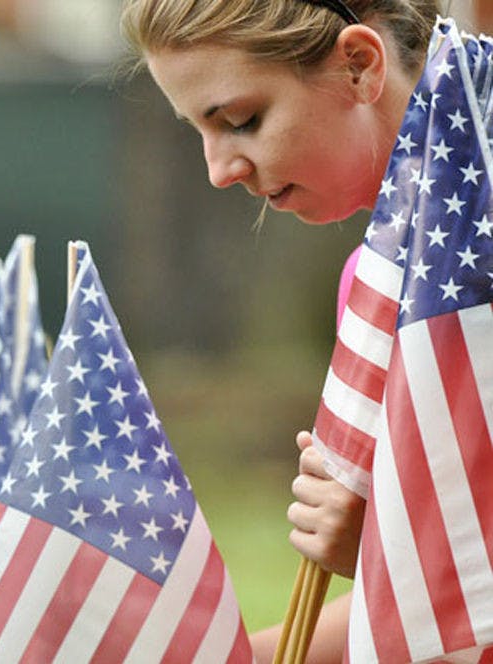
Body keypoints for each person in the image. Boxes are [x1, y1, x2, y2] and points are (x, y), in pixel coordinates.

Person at [120, 0, 439, 661]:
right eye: (199, 133)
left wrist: (392, 547)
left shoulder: (465, 277)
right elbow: (414, 620)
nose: (219, 170)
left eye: (241, 121)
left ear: (358, 65)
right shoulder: (370, 280)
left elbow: (449, 574)